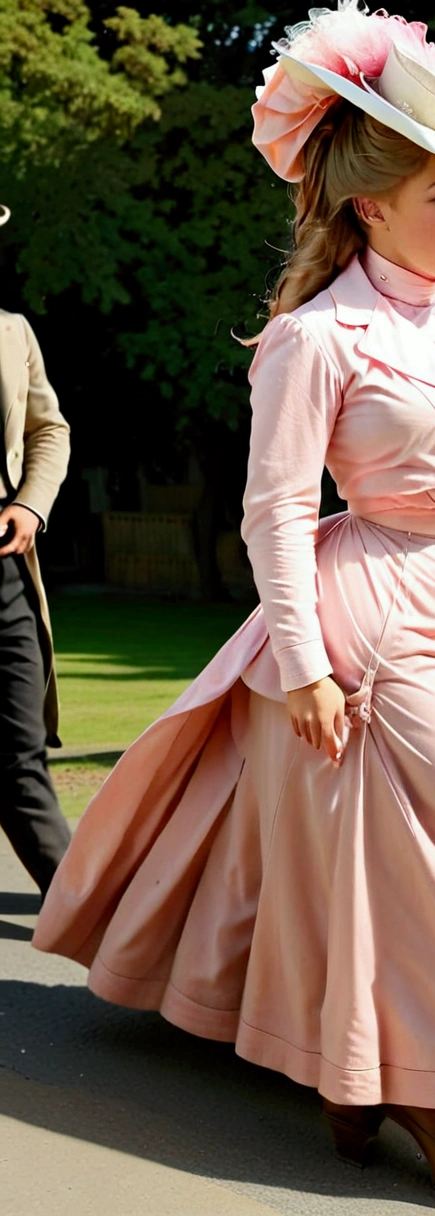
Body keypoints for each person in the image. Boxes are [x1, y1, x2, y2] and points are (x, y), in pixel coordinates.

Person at [33, 4, 435, 1211]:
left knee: (410, 869)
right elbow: (270, 513)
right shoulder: (314, 340)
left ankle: (359, 1076)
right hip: (369, 619)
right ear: (369, 203)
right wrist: (301, 664)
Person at [0, 203, 72, 900]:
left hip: (5, 575)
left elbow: (51, 430)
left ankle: (101, 922)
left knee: (19, 753)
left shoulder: (12, 332)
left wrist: (29, 503)